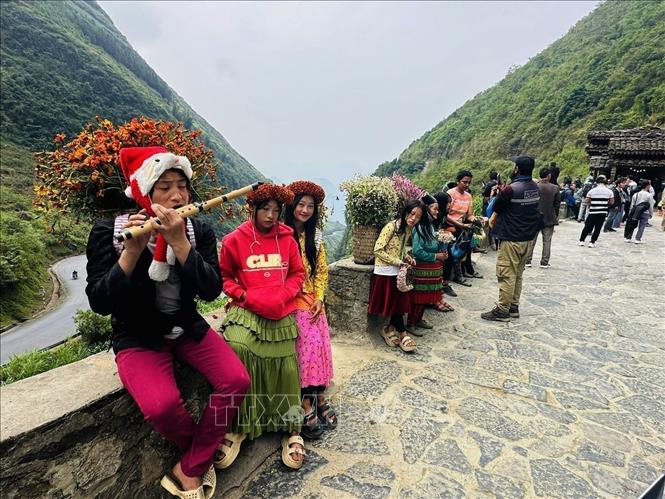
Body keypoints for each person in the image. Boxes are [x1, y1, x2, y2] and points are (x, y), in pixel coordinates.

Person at [86, 146, 250, 499]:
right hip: (137, 335)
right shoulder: (110, 233)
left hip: (187, 326)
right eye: (165, 188)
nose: (177, 196)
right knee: (161, 407)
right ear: (145, 193)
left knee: (237, 381)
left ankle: (188, 468)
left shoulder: (197, 232)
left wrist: (178, 243)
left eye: (182, 186)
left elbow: (210, 291)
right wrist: (131, 253)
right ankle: (202, 452)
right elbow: (99, 301)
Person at [217, 183, 307, 470]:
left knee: (287, 365)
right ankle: (239, 426)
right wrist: (244, 295)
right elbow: (224, 276)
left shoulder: (288, 240)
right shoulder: (234, 240)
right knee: (238, 347)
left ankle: (291, 428)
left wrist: (283, 295)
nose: (270, 215)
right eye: (265, 209)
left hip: (280, 308)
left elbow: (297, 273)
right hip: (247, 308)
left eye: (275, 211)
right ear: (252, 210)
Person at [283, 180, 337, 440]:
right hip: (289, 300)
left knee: (318, 348)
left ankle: (318, 394)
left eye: (310, 206)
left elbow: (322, 270)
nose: (304, 210)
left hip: (311, 300)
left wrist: (319, 298)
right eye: (301, 204)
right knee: (305, 349)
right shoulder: (281, 233)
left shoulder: (314, 236)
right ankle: (306, 403)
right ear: (291, 205)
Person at [481, 155, 541, 322]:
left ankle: (502, 310)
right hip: (528, 239)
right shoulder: (535, 188)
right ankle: (513, 306)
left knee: (506, 274)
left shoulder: (511, 189)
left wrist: (497, 194)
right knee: (518, 274)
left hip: (511, 238)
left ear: (517, 169)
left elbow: (491, 209)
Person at [369, 200, 422, 353]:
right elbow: (378, 249)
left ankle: (389, 329)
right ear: (406, 212)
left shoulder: (407, 229)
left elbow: (400, 248)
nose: (413, 218)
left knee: (397, 303)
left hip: (397, 269)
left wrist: (406, 257)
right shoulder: (391, 227)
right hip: (386, 270)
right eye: (412, 214)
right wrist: (398, 261)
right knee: (397, 303)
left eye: (417, 217)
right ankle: (403, 333)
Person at [406, 195, 450, 334]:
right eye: (435, 209)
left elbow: (432, 243)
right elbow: (417, 251)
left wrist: (442, 247)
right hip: (422, 270)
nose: (437, 212)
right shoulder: (419, 228)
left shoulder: (429, 226)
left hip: (431, 270)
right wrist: (435, 256)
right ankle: (411, 323)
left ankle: (419, 320)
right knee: (419, 298)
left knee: (426, 297)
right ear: (426, 210)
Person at [447, 170, 482, 286]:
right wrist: (460, 225)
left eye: (469, 183)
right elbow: (445, 214)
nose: (467, 185)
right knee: (455, 252)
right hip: (450, 226)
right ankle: (458, 276)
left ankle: (466, 271)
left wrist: (476, 221)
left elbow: (469, 215)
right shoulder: (450, 193)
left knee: (466, 249)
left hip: (462, 225)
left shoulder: (468, 196)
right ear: (458, 181)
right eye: (464, 182)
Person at [526, 167, 560, 269]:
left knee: (532, 240)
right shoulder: (555, 188)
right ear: (549, 176)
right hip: (549, 217)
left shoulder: (534, 186)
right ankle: (544, 262)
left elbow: (529, 202)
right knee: (547, 241)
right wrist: (555, 215)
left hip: (535, 217)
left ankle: (528, 260)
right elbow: (557, 204)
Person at [578, 175, 614, 248]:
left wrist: (592, 202)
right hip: (602, 212)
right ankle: (592, 242)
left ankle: (582, 241)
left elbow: (586, 201)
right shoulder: (610, 191)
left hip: (593, 211)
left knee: (587, 227)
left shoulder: (592, 190)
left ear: (597, 182)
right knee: (598, 227)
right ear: (605, 182)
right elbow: (612, 202)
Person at [433, 191, 457, 297]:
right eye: (448, 203)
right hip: (434, 243)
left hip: (441, 241)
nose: (450, 206)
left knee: (449, 258)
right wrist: (447, 230)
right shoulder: (437, 215)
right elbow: (434, 230)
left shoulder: (443, 214)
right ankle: (441, 284)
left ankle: (444, 283)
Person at [624, 179, 655, 244]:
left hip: (635, 211)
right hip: (645, 212)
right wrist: (651, 213)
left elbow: (632, 205)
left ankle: (628, 237)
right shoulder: (649, 195)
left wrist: (630, 213)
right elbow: (651, 206)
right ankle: (638, 239)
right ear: (647, 186)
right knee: (642, 226)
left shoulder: (636, 194)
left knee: (632, 224)